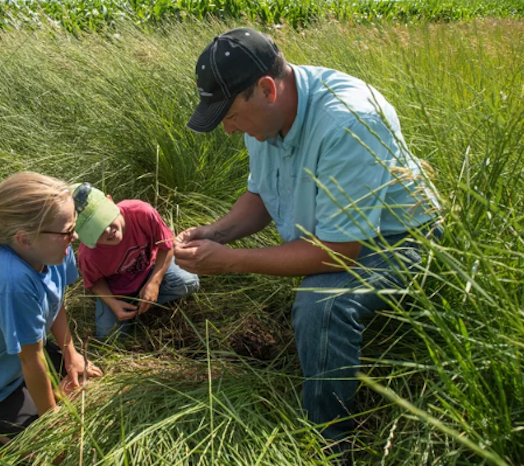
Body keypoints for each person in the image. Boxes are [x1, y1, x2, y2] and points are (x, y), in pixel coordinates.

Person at [175, 28, 441, 443]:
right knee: (316, 297)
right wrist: (215, 232)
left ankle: (328, 441)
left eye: (230, 115)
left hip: (400, 240)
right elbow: (262, 195)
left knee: (320, 304)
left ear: (267, 89)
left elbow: (340, 252)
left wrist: (232, 262)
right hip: (341, 235)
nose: (228, 129)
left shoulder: (349, 121)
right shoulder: (265, 120)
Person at [0, 172, 103, 443]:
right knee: (56, 454)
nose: (74, 236)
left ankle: (43, 400)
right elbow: (32, 360)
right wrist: (51, 421)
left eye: (73, 225)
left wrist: (71, 354)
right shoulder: (11, 283)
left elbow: (56, 302)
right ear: (25, 239)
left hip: (23, 360)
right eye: (67, 231)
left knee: (91, 384)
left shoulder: (54, 250)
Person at [73, 183, 199, 339]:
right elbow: (94, 282)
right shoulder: (89, 254)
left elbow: (166, 244)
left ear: (110, 201)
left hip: (150, 268)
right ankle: (131, 308)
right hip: (117, 291)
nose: (107, 230)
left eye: (105, 219)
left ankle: (144, 304)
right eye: (95, 231)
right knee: (109, 336)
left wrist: (154, 283)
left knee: (188, 282)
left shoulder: (140, 212)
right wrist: (113, 303)